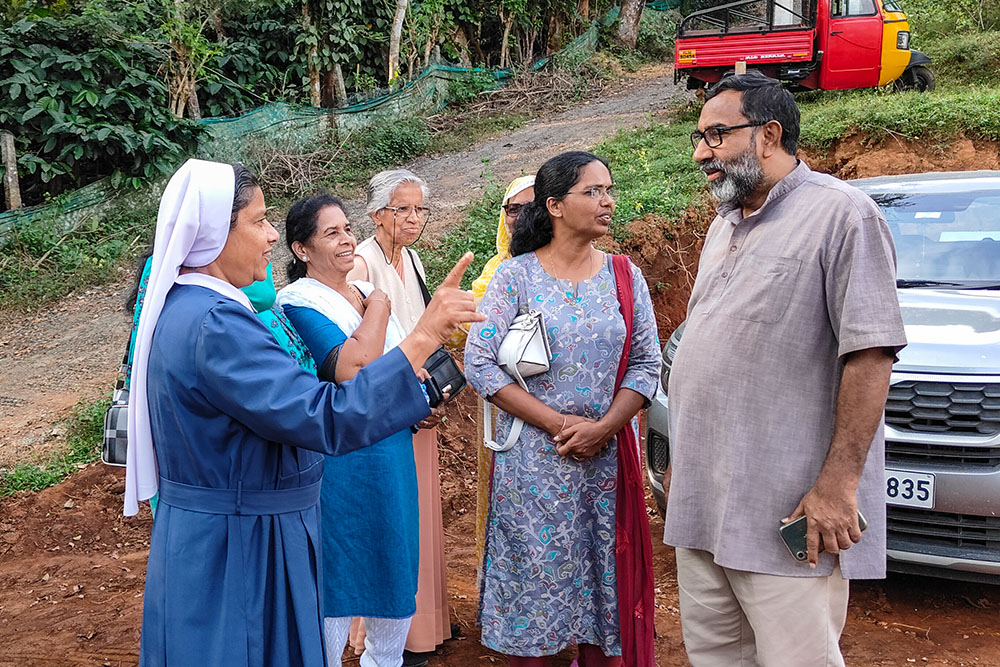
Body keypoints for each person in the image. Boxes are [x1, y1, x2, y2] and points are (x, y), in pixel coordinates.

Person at [126, 159, 482, 667]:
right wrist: (425, 334)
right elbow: (324, 417)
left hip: (224, 532)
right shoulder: (217, 325)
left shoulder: (189, 309)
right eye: (259, 220)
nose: (271, 235)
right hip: (241, 541)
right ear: (212, 234)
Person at [663, 71, 907, 667]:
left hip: (786, 510)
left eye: (716, 136)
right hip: (703, 504)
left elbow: (871, 356)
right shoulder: (723, 227)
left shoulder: (843, 215)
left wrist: (837, 486)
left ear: (769, 135)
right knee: (716, 655)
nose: (701, 153)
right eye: (698, 138)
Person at [464, 151, 660, 667]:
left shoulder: (625, 275)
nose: (608, 201)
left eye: (609, 189)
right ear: (553, 205)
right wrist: (555, 422)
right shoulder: (516, 278)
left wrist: (605, 428)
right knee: (537, 593)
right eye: (592, 191)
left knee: (604, 588)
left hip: (606, 464)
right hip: (534, 467)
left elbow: (646, 363)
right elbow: (479, 363)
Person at [275, 193, 431, 667]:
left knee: (393, 559)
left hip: (391, 448)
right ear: (302, 251)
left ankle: (385, 662)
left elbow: (406, 364)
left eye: (346, 229)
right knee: (339, 571)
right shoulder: (299, 303)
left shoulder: (359, 295)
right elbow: (353, 366)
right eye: (331, 233)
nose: (346, 241)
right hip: (341, 457)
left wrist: (419, 397)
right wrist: (380, 301)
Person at [348, 169, 451, 664]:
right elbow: (363, 351)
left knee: (421, 514)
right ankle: (387, 638)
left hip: (419, 401)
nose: (413, 219)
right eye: (402, 209)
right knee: (393, 518)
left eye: (419, 209)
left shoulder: (411, 259)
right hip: (389, 408)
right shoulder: (362, 265)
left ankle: (424, 627)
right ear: (376, 215)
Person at [465, 175, 535, 587]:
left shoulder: (564, 264)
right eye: (512, 209)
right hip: (499, 400)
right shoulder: (495, 271)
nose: (519, 217)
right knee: (502, 491)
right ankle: (505, 588)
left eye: (530, 207)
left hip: (549, 402)